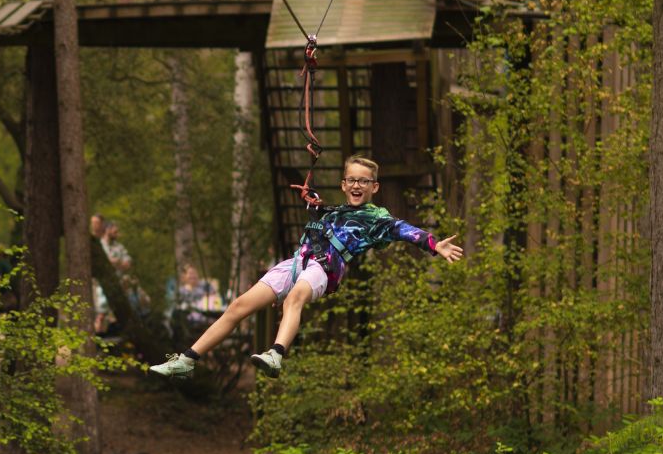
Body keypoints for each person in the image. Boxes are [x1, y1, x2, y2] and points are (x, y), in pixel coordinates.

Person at [149, 156, 463, 379]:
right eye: (351, 179)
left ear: (374, 187)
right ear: (343, 183)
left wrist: (434, 245)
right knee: (238, 305)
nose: (357, 185)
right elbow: (322, 212)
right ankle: (188, 359)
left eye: (363, 181)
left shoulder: (377, 218)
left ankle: (276, 354)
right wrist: (313, 202)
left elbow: (406, 230)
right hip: (298, 260)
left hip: (326, 268)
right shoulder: (333, 211)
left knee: (293, 299)